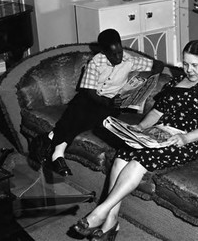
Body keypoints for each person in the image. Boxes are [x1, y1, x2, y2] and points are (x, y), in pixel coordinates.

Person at [70, 40, 198, 241]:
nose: (189, 70)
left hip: (187, 139)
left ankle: (100, 212)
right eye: (185, 64)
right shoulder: (175, 82)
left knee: (140, 160)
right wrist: (140, 128)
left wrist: (185, 137)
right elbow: (156, 112)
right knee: (123, 154)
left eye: (194, 65)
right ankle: (110, 222)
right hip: (159, 133)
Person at [29, 28, 164, 177]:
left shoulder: (129, 60)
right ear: (104, 52)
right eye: (114, 54)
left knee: (90, 119)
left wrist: (147, 78)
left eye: (120, 51)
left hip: (112, 104)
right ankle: (58, 154)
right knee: (78, 116)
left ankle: (52, 145)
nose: (119, 57)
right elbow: (90, 92)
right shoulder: (96, 62)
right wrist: (106, 102)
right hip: (90, 97)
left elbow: (158, 65)